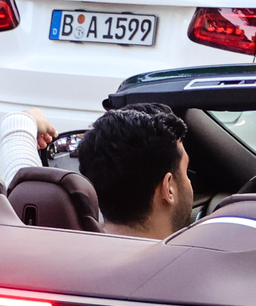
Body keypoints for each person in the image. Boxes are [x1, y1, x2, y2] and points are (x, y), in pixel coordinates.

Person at [75, 103, 198, 240]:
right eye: (185, 171)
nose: (189, 181)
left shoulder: (76, 252)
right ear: (168, 188)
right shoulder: (189, 260)